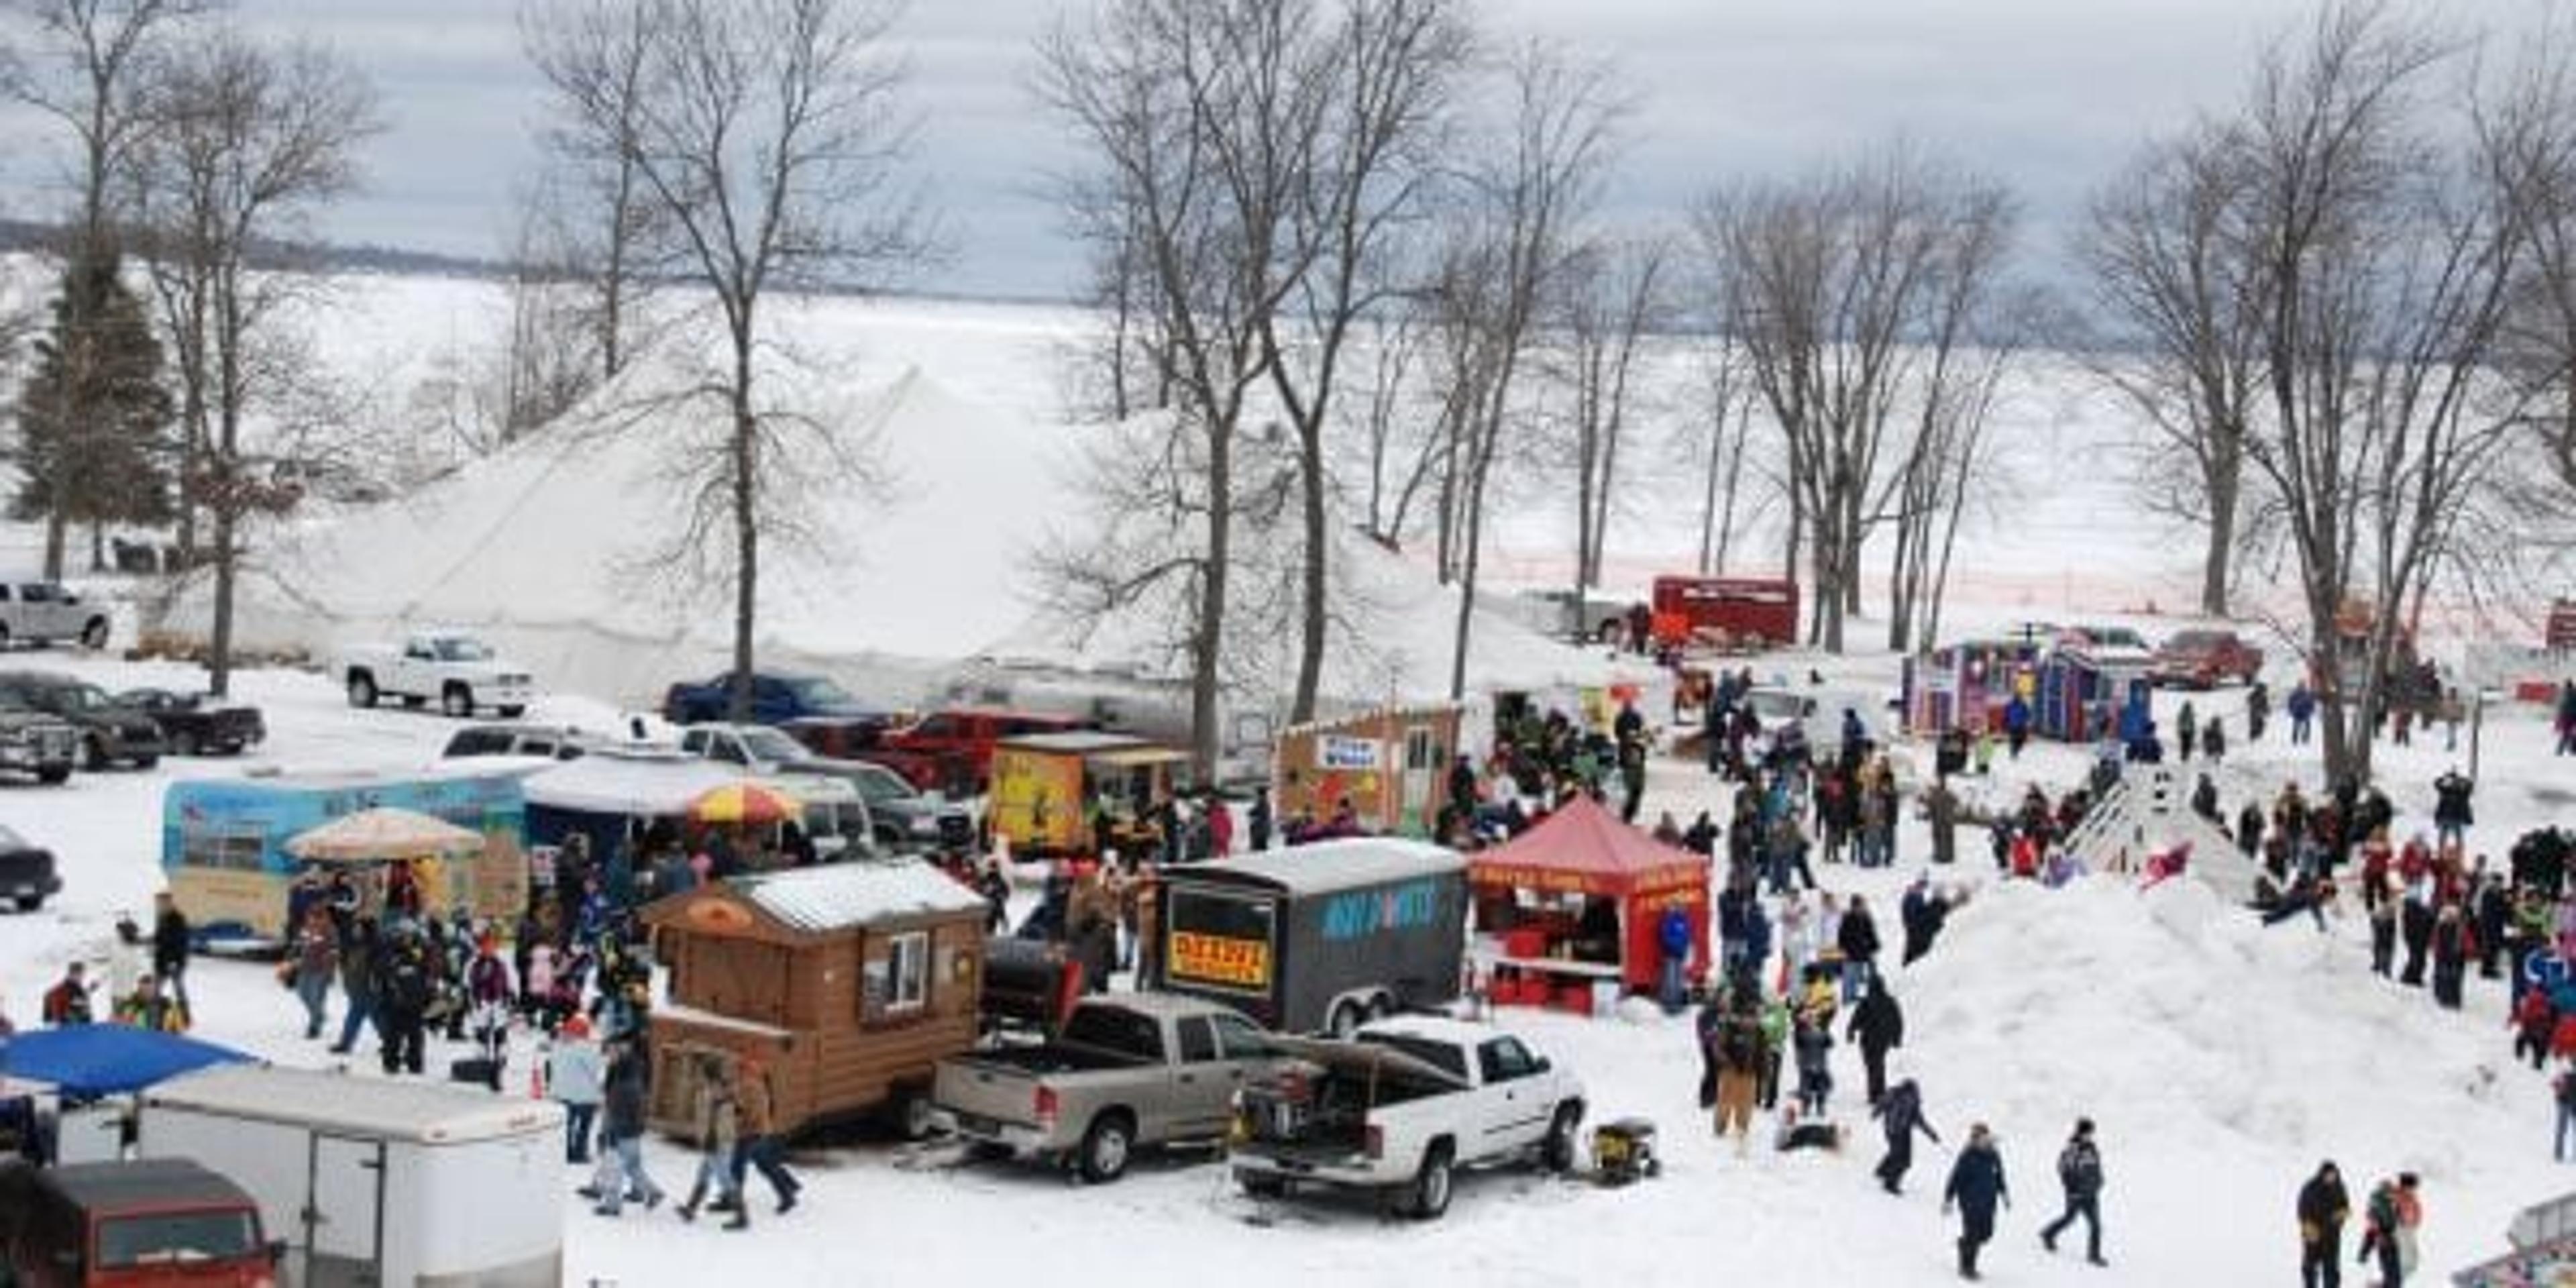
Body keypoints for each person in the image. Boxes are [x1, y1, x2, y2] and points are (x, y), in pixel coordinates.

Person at [591, 1036, 666, 1218]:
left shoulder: (624, 1083)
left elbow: (619, 1111)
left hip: (622, 1131)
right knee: (633, 1167)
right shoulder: (630, 1074)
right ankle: (654, 1193)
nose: (608, 1056)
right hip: (631, 1131)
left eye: (610, 1053)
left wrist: (612, 1134)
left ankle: (612, 1206)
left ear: (618, 1053)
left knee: (613, 1168)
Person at [677, 1060, 749, 1230]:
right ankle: (690, 1209)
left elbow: (721, 1117)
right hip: (713, 1141)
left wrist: (713, 1138)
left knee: (725, 1178)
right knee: (703, 1175)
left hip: (719, 1142)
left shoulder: (719, 1092)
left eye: (702, 1072)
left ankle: (742, 1216)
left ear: (708, 1073)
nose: (699, 1075)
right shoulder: (713, 1089)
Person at [727, 1057, 802, 1216]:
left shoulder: (752, 1087)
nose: (735, 1072)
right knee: (764, 1165)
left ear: (746, 1071)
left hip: (752, 1133)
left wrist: (738, 1118)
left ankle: (735, 1199)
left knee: (738, 1165)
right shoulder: (747, 1085)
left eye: (739, 1069)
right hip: (756, 1132)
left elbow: (753, 1112)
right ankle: (788, 1192)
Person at [1944, 1122, 2010, 1281]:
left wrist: (2005, 1194)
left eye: (1986, 1138)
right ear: (1974, 1139)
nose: (1984, 1141)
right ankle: (1967, 1267)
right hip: (1970, 1204)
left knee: (1986, 1234)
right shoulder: (1967, 1156)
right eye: (1980, 1138)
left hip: (1989, 1203)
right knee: (1973, 1236)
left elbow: (1999, 1176)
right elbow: (1955, 1178)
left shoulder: (1994, 1155)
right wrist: (1948, 1199)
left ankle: (1964, 1244)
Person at [2039, 1118, 2107, 1267]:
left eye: (2091, 1133)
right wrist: (2071, 1188)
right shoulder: (2072, 1149)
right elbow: (2062, 1168)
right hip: (2076, 1193)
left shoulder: (2092, 1148)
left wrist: (2100, 1180)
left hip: (2091, 1192)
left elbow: (2095, 1167)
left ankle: (2093, 1255)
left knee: (2095, 1225)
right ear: (2081, 1132)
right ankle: (2048, 1234)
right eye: (2088, 1133)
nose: (2090, 1135)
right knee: (2070, 1218)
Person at [547, 1015, 606, 1165]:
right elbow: (596, 1070)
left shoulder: (557, 1045)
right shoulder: (586, 1048)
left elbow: (552, 1067)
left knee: (568, 1126)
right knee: (584, 1126)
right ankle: (579, 1153)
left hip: (562, 1093)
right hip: (585, 1096)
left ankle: (566, 1151)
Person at [1874, 1077, 1939, 1195]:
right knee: (1904, 1161)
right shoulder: (1910, 1100)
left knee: (1896, 1154)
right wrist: (1932, 1135)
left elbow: (1881, 1105)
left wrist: (1876, 1114)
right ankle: (1890, 1183)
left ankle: (1882, 1171)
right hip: (1899, 1131)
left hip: (1893, 1130)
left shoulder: (1894, 1094)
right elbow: (1920, 1121)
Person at [1849, 979, 1904, 1106]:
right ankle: (1879, 1092)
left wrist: (1851, 1032)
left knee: (1872, 1065)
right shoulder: (1890, 1001)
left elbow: (1856, 1019)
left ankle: (1875, 1094)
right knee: (1878, 1063)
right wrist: (1897, 1038)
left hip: (1868, 1040)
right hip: (1883, 1040)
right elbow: (1897, 1021)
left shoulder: (1866, 1002)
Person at [2299, 1161, 2351, 1288]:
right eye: (2329, 1175)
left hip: (2332, 1235)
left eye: (2334, 1175)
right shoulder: (2310, 1187)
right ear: (2322, 1174)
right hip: (2313, 1233)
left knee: (2332, 1268)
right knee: (2310, 1266)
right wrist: (2308, 1225)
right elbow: (2302, 1208)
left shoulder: (2340, 1187)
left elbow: (2345, 1206)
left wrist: (2341, 1216)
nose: (2331, 1177)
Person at [290, 904, 339, 1040]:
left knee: (315, 997)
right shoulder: (306, 928)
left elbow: (334, 951)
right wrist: (292, 958)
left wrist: (330, 970)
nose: (309, 920)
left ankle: (314, 1027)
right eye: (308, 918)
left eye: (312, 918)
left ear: (321, 918)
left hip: (321, 970)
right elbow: (299, 944)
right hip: (305, 967)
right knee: (302, 993)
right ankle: (319, 1015)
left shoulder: (330, 930)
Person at [150, 893, 192, 1016]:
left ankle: (185, 1016)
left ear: (169, 903)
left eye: (161, 903)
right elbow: (159, 938)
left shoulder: (178, 918)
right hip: (161, 961)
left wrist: (175, 961)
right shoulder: (160, 917)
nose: (159, 906)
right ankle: (154, 1015)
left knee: (179, 989)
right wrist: (146, 941)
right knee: (156, 989)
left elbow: (181, 942)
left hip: (175, 962)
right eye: (158, 904)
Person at [1656, 901, 1693, 1014]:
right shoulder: (1669, 919)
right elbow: (1665, 935)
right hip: (1670, 953)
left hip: (1681, 954)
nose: (1683, 909)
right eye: (1680, 907)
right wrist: (1675, 945)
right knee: (1670, 979)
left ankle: (1677, 1002)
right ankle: (1668, 1002)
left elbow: (1687, 936)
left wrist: (1685, 947)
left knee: (1679, 979)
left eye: (1684, 907)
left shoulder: (1685, 921)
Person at [41, 961, 95, 1026]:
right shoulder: (60, 991)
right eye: (78, 974)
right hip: (65, 1029)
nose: (81, 977)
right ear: (71, 974)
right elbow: (56, 1016)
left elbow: (85, 1011)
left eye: (82, 974)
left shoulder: (80, 991)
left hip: (81, 1029)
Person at [2434, 769, 2475, 850]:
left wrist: (2461, 779)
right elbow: (2436, 784)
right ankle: (2442, 849)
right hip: (2446, 818)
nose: (2454, 784)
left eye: (2456, 783)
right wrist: (2445, 777)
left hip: (2456, 818)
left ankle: (2458, 850)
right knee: (2444, 835)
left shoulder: (2462, 793)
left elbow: (2470, 786)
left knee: (2457, 836)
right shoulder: (2446, 791)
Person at [2290, 682, 2318, 746]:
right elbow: (2290, 704)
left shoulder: (2307, 695)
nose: (2302, 687)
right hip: (2297, 713)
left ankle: (2305, 739)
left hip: (2306, 714)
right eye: (2301, 686)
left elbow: (2311, 704)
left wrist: (2311, 711)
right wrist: (2292, 711)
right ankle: (2295, 740)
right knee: (2296, 728)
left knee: (2307, 727)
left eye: (2303, 686)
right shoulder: (2294, 694)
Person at [1248, 786, 1274, 853]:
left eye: (1258, 794)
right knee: (1260, 845)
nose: (1257, 796)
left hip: (1261, 828)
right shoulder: (1263, 802)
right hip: (1261, 827)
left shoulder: (1263, 802)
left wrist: (1253, 813)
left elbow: (1262, 813)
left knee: (1260, 847)